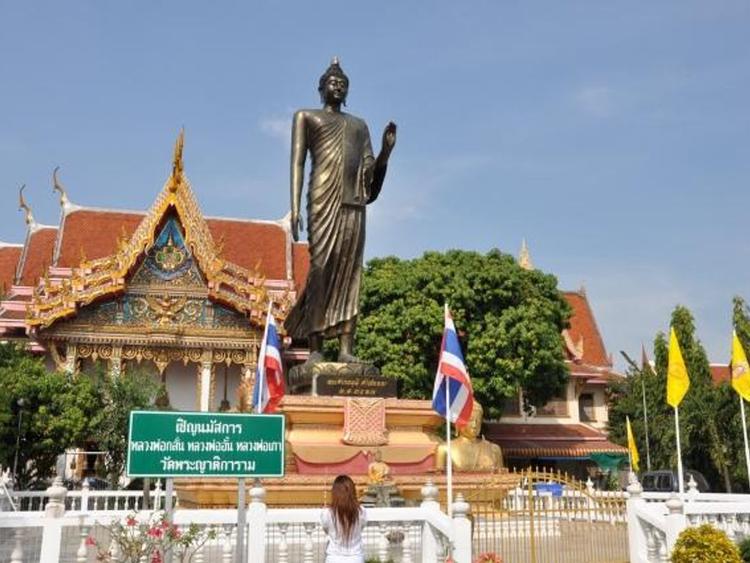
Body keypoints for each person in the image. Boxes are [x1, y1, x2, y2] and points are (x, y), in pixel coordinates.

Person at [284, 58, 397, 363]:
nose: (338, 86)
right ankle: (316, 347)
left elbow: (369, 170)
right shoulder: (306, 117)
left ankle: (346, 349)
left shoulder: (359, 125)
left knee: (351, 270)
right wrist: (294, 209)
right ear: (321, 88)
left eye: (342, 84)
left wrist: (386, 152)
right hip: (322, 197)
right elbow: (297, 162)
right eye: (332, 83)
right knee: (321, 267)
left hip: (353, 202)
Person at [321, 475, 367, 562]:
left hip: (334, 558)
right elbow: (361, 527)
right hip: (355, 558)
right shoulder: (361, 511)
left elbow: (326, 529)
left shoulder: (327, 513)